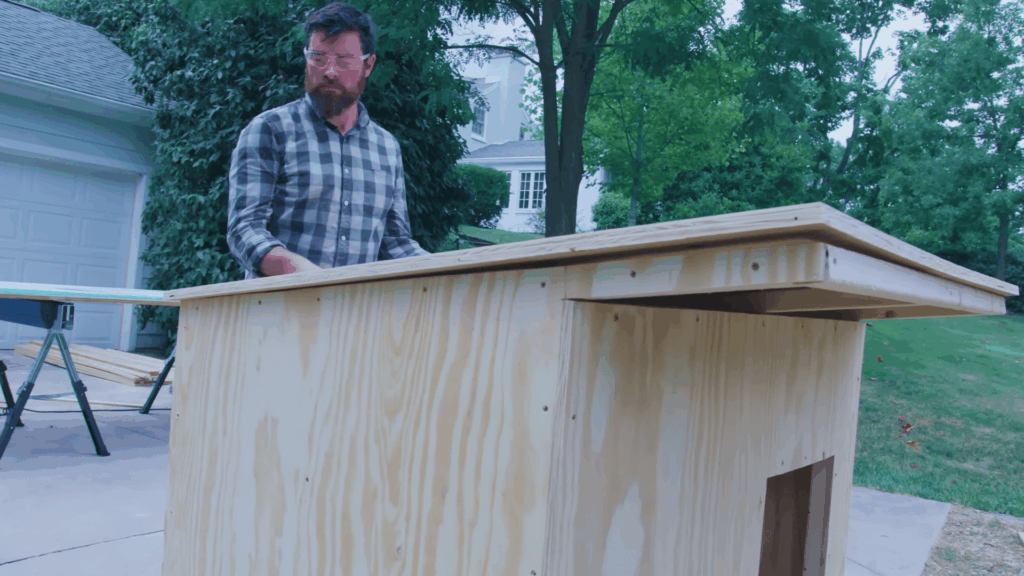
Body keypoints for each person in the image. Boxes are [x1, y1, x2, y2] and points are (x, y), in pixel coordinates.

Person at [227, 2, 428, 279]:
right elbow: (244, 229)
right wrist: (304, 275)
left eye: (343, 60)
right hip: (276, 313)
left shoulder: (387, 148)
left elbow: (396, 243)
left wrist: (455, 269)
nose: (329, 71)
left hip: (356, 315)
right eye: (318, 58)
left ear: (368, 65)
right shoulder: (269, 130)